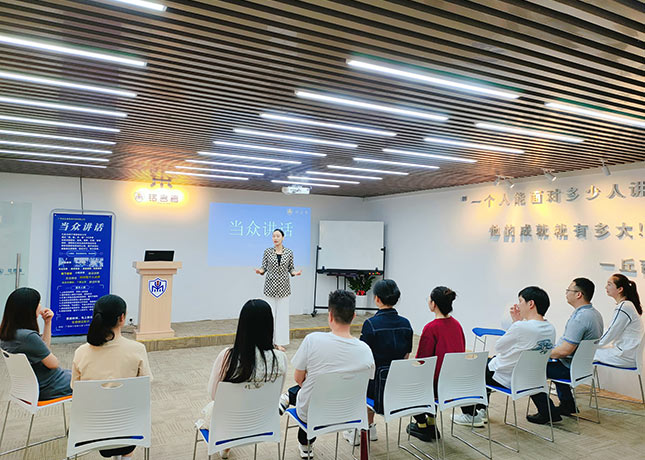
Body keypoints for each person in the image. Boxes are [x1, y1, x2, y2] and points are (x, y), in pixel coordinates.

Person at [280, 290, 374, 459]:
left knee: (307, 393)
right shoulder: (365, 350)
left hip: (313, 414)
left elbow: (298, 379)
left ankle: (305, 444)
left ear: (330, 315)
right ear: (353, 316)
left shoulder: (312, 340)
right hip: (349, 414)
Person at [203, 299, 287, 459]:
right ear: (270, 325)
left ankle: (226, 446)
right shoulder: (280, 358)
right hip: (263, 424)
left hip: (229, 425)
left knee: (217, 408)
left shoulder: (228, 357)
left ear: (242, 325)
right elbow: (277, 393)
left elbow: (214, 395)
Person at [72, 294, 152, 460]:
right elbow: (145, 387)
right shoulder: (137, 349)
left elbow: (75, 389)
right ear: (122, 318)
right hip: (128, 431)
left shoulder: (81, 352)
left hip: (90, 432)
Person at [459, 287, 557, 423]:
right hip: (532, 378)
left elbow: (499, 347)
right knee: (486, 364)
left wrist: (516, 323)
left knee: (470, 370)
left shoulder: (521, 327)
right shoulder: (550, 328)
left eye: (520, 301)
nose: (518, 305)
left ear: (531, 304)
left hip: (508, 378)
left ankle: (472, 415)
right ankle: (481, 410)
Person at [342, 279, 413, 446]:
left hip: (375, 387)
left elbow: (363, 358)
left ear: (377, 299)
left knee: (357, 378)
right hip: (396, 387)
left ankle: (359, 430)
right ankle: (370, 426)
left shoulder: (371, 324)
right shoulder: (406, 324)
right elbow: (406, 356)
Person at [528, 278, 604, 424]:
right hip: (581, 368)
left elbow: (564, 351)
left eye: (568, 290)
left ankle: (547, 412)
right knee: (553, 362)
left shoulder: (580, 318)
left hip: (569, 368)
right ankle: (568, 404)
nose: (566, 293)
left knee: (530, 370)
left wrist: (539, 354)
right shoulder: (594, 314)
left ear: (578, 294)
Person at [407, 286, 467, 442]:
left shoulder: (431, 328)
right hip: (452, 382)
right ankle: (432, 422)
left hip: (435, 384)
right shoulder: (457, 325)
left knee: (408, 384)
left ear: (433, 304)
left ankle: (421, 424)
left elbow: (422, 361)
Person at [0, 287, 72, 400]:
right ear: (29, 309)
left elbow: (43, 350)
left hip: (34, 386)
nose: (40, 306)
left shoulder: (8, 333)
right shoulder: (28, 337)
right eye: (38, 303)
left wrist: (47, 323)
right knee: (89, 378)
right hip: (49, 385)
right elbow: (53, 364)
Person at [255, 229, 302, 347]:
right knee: (269, 315)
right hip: (270, 287)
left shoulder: (289, 252)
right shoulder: (267, 252)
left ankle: (279, 343)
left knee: (282, 316)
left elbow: (291, 268)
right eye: (273, 236)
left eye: (278, 236)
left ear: (283, 237)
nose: (275, 238)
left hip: (284, 288)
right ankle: (268, 341)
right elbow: (264, 267)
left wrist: (295, 273)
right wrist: (260, 271)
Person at [595, 274, 643, 367]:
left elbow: (610, 332)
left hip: (625, 356)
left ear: (620, 289)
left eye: (609, 284)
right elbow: (609, 329)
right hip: (628, 354)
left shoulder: (624, 306)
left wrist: (591, 345)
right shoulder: (627, 305)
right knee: (590, 352)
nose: (606, 287)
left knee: (586, 353)